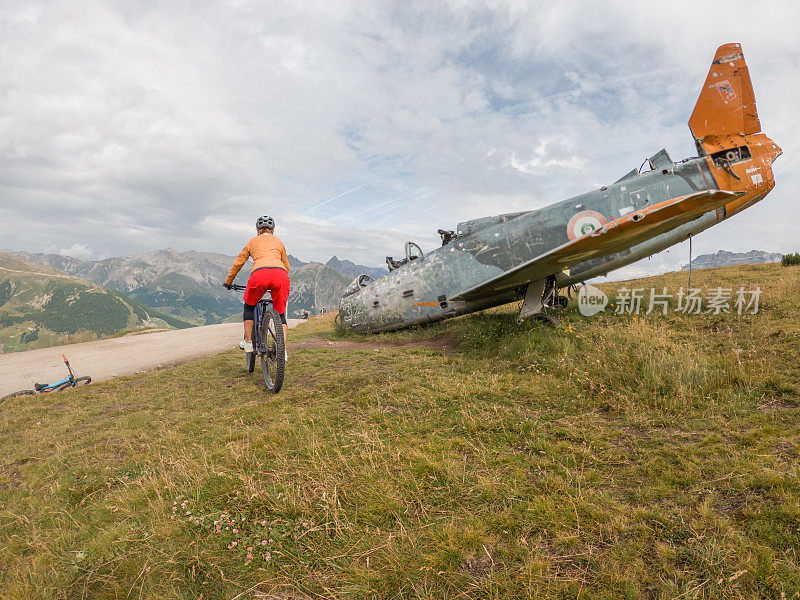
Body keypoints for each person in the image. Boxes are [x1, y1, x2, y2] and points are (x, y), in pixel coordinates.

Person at [223, 215, 290, 360]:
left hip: (260, 275)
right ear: (273, 229)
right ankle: (282, 350)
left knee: (249, 305)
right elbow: (286, 265)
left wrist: (229, 281)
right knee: (281, 314)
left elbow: (238, 263)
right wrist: (279, 281)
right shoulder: (279, 242)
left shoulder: (252, 242)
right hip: (281, 276)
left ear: (257, 229)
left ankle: (248, 342)